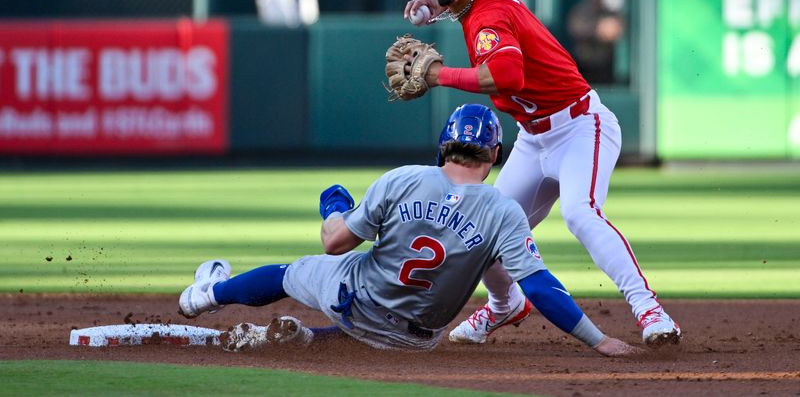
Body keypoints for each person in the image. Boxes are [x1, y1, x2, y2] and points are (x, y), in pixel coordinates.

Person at [402, 0, 681, 347]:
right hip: (533, 138)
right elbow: (478, 11)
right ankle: (505, 305)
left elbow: (507, 75)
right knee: (481, 227)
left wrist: (439, 75)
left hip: (580, 126)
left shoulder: (487, 14)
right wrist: (443, 7)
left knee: (580, 213)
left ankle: (651, 312)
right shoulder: (480, 0)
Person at [178, 104, 638, 356]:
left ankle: (205, 295)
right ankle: (306, 340)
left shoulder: (404, 178)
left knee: (289, 272)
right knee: (378, 332)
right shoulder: (503, 211)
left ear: (443, 146)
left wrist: (335, 206)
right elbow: (541, 288)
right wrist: (598, 340)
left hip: (356, 301)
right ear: (494, 155)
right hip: (419, 338)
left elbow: (335, 244)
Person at [566, 0, 625, 85]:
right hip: (584, 63)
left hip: (604, 64)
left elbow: (617, 30)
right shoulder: (580, 11)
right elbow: (575, 29)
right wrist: (596, 29)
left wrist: (607, 30)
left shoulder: (608, 12)